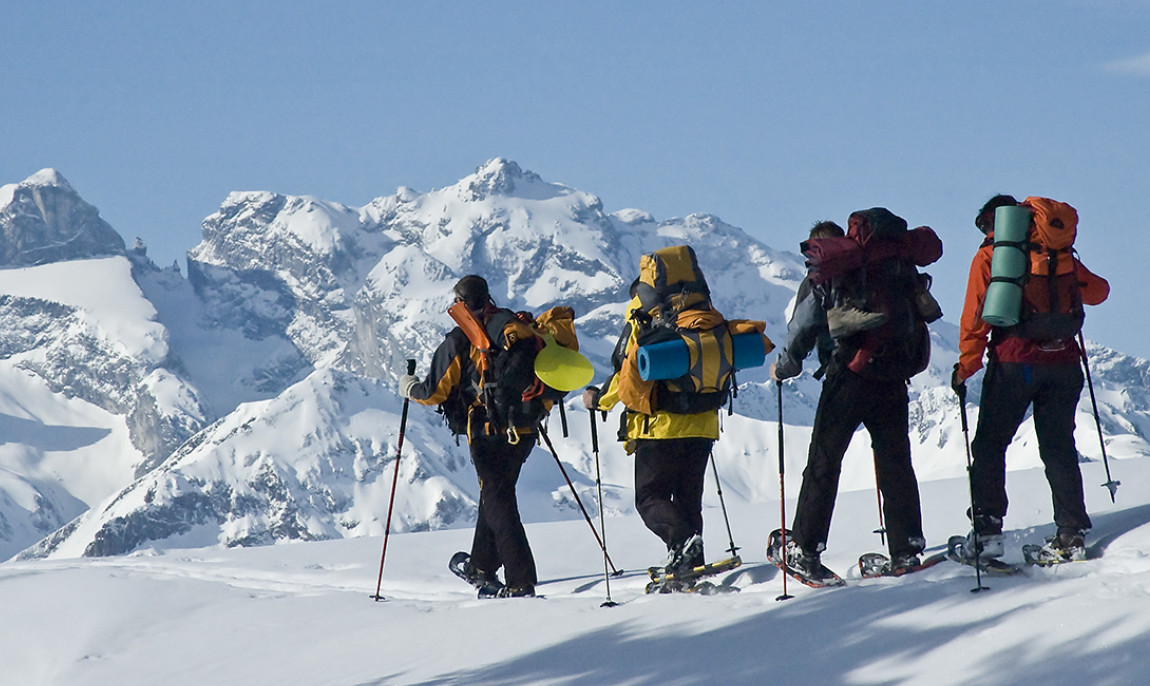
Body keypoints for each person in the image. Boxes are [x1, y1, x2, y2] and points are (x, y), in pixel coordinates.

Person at [771, 209, 934, 579]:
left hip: (850, 374)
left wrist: (785, 365)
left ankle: (805, 547)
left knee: (824, 462)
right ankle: (906, 548)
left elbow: (803, 326)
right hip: (894, 373)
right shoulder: (891, 263)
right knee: (895, 462)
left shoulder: (829, 271)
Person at [952, 195, 1110, 563]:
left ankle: (988, 533)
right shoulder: (1061, 253)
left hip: (1014, 363)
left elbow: (975, 316)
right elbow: (1099, 292)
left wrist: (966, 366)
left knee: (991, 446)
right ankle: (1070, 533)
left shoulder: (992, 255)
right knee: (1058, 447)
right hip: (1065, 363)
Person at [582, 247, 729, 580]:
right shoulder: (702, 311)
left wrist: (597, 400)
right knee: (689, 499)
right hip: (704, 422)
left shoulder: (642, 318)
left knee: (651, 497)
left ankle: (682, 544)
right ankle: (692, 563)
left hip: (659, 426)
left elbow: (625, 372)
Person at [398, 275, 539, 598]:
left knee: (498, 500)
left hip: (488, 431)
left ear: (461, 302)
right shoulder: (511, 326)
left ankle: (521, 580)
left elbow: (435, 391)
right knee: (495, 494)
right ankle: (481, 565)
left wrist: (410, 388)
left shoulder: (462, 338)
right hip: (526, 427)